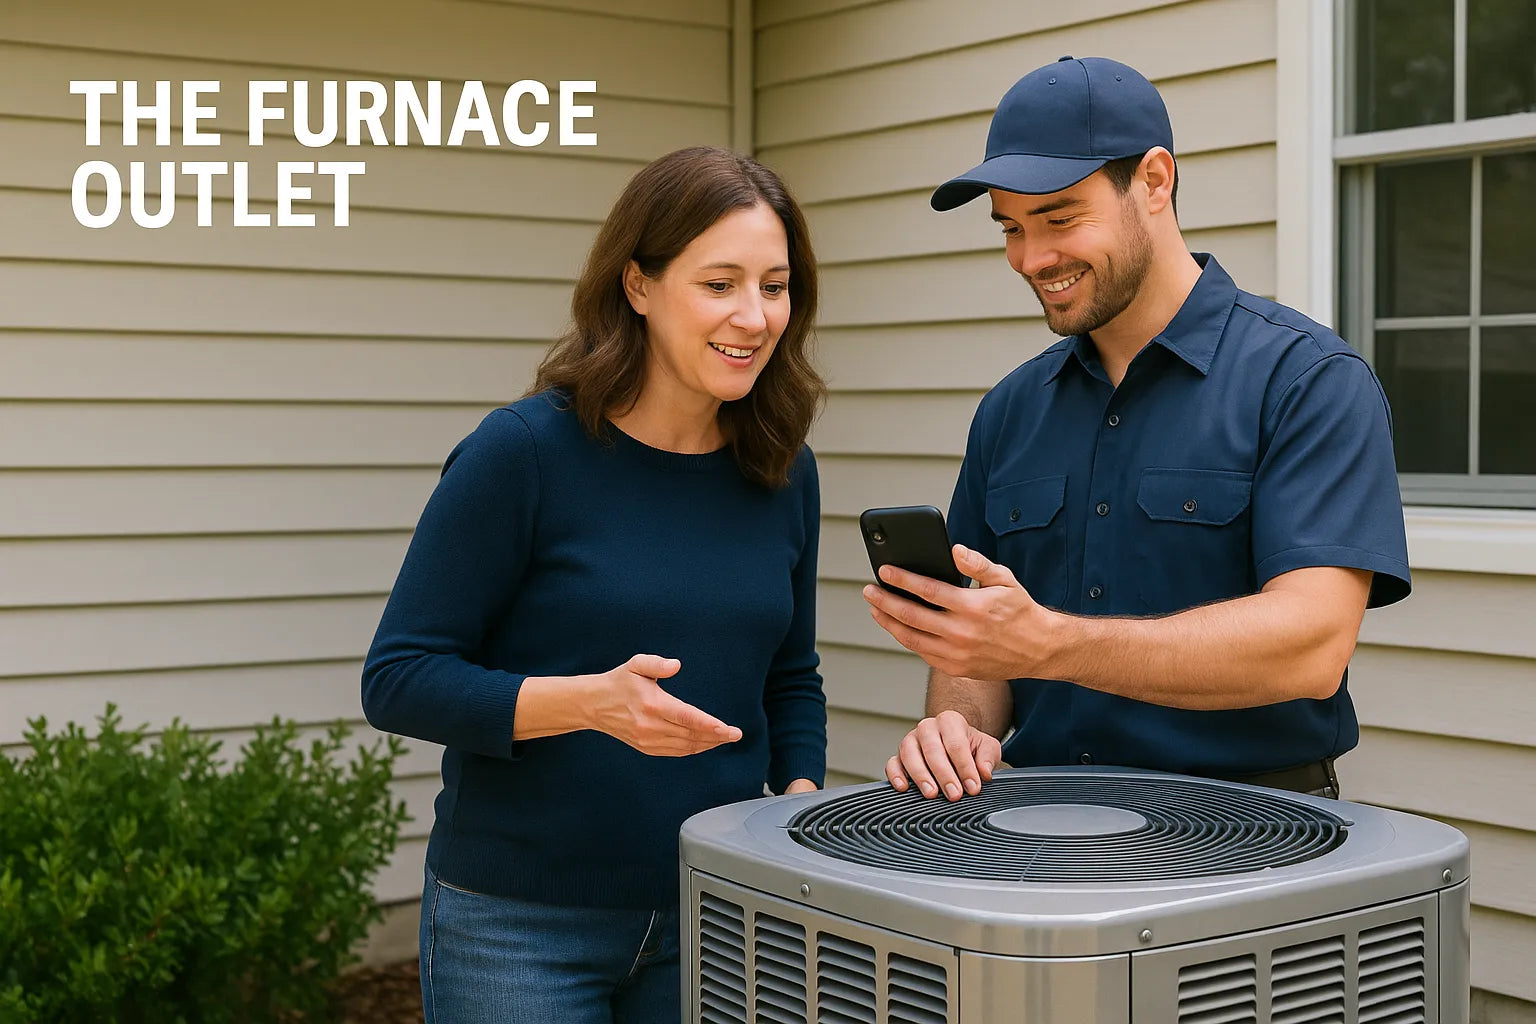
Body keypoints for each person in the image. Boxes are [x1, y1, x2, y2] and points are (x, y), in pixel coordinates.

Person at [361, 145, 828, 1024]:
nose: (755, 316)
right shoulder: (523, 455)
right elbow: (399, 677)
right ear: (638, 286)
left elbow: (789, 674)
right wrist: (588, 704)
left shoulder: (782, 468)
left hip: (718, 915)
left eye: (776, 285)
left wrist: (797, 806)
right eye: (719, 283)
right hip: (518, 929)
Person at [863, 57, 1411, 804]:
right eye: (1012, 228)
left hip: (1253, 848)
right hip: (1037, 841)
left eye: (1059, 218)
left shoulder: (1308, 381)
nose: (1032, 258)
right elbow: (981, 648)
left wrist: (1055, 646)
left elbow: (1310, 645)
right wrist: (958, 727)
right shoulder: (1010, 410)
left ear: (1155, 181)